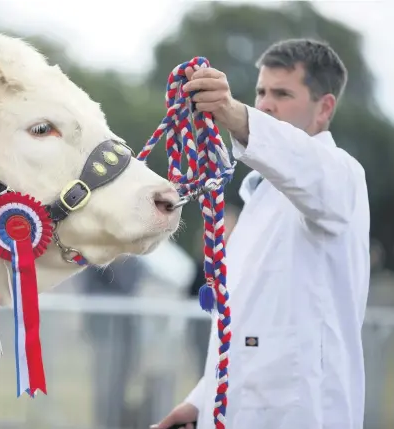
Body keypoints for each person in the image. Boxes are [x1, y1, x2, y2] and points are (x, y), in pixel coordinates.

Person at [152, 39, 370, 429]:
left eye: (282, 93)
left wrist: (233, 112)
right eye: (261, 92)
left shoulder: (341, 176)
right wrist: (201, 401)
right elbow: (250, 327)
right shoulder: (262, 197)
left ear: (324, 108)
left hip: (304, 414)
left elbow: (304, 165)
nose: (266, 103)